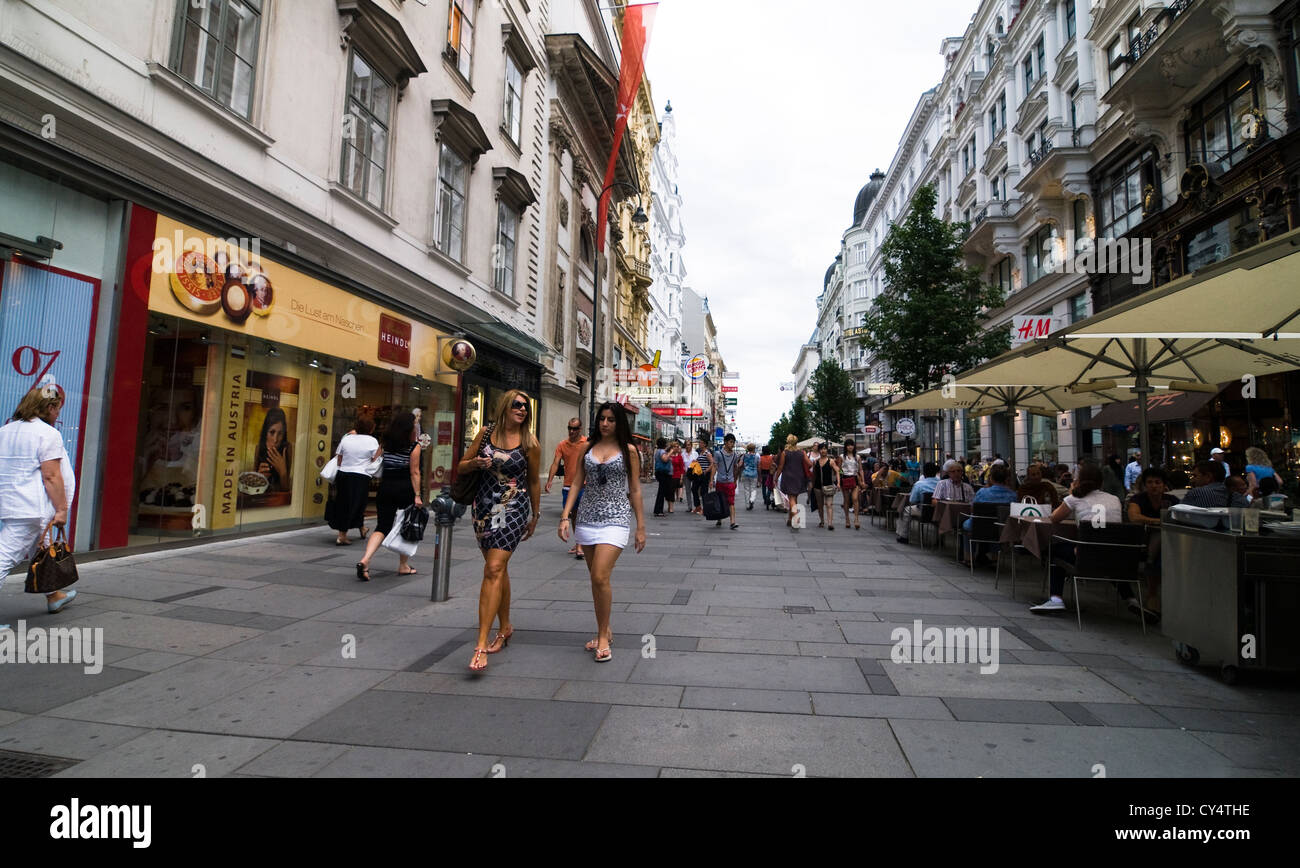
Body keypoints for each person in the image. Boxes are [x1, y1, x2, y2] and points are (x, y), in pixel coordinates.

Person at [558, 402, 646, 663]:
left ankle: (603, 637)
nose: (605, 424)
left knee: (599, 575)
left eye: (610, 419)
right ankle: (605, 628)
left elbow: (635, 489)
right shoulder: (588, 448)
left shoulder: (629, 451)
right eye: (601, 419)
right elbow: (576, 482)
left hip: (617, 518)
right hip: (586, 518)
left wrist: (640, 527)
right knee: (596, 581)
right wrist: (565, 516)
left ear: (619, 423)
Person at [462, 391, 541, 672]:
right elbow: (461, 465)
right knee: (497, 569)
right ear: (505, 406)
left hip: (511, 507)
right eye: (517, 405)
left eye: (526, 407)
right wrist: (475, 463)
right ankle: (505, 626)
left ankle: (480, 644)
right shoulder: (485, 433)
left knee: (493, 569)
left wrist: (535, 514)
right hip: (483, 507)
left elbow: (533, 482)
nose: (522, 409)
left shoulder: (530, 443)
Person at [0, 387, 79, 627]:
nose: (57, 414)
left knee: (42, 549)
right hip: (32, 507)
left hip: (13, 503)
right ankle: (53, 595)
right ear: (49, 407)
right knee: (4, 557)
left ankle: (54, 595)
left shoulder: (5, 431)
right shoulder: (46, 433)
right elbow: (52, 476)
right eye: (57, 409)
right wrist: (62, 509)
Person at [1031, 459, 1133, 616]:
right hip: (1116, 557)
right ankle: (1131, 598)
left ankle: (1056, 598)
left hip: (1085, 557)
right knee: (1107, 556)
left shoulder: (1075, 498)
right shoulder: (1114, 500)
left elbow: (1054, 518)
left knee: (1055, 549)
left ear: (1079, 480)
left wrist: (1073, 493)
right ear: (1101, 481)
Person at [356, 410, 422, 582]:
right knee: (404, 526)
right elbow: (415, 472)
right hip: (405, 489)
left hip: (386, 488)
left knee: (382, 526)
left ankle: (366, 559)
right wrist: (417, 495)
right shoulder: (414, 447)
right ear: (409, 428)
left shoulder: (385, 443)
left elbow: (375, 460)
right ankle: (403, 565)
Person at [1127, 467, 1176, 614]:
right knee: (1159, 536)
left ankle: (1153, 593)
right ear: (1144, 485)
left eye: (1157, 482)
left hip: (1168, 544)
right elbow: (1134, 517)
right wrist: (1159, 521)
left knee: (1160, 542)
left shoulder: (1171, 500)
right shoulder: (1137, 500)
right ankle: (1153, 594)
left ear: (1164, 485)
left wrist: (1155, 522)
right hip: (1142, 541)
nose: (1154, 486)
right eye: (1150, 482)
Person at [329, 415, 379, 544]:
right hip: (361, 476)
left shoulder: (347, 439)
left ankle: (361, 528)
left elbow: (339, 457)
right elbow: (375, 459)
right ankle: (342, 535)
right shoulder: (372, 441)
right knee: (357, 504)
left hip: (344, 474)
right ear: (371, 429)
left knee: (345, 503)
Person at [545, 417, 587, 558]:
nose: (571, 431)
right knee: (574, 515)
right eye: (569, 428)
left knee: (581, 514)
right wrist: (549, 480)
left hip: (584, 485)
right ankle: (579, 542)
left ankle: (581, 545)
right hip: (568, 486)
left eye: (574, 428)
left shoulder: (586, 443)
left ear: (580, 429)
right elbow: (555, 463)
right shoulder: (562, 445)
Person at [960, 463, 1017, 567]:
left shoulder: (983, 492)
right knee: (996, 526)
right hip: (1002, 529)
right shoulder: (1013, 495)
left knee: (966, 525)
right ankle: (994, 556)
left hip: (979, 526)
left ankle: (968, 557)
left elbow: (973, 509)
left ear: (991, 478)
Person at [774, 434, 812, 532]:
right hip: (799, 477)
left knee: (791, 498)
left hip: (788, 477)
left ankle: (796, 517)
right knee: (794, 498)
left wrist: (776, 477)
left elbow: (781, 467)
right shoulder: (802, 452)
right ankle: (790, 519)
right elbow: (810, 464)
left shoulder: (784, 453)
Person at [896, 461, 940, 545]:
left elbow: (912, 500)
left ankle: (904, 536)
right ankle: (940, 540)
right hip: (939, 511)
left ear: (924, 473)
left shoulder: (919, 484)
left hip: (923, 510)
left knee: (906, 510)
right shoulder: (940, 483)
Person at [1182, 460, 1249, 508]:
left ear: (1208, 476)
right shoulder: (1239, 498)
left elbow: (1178, 514)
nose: (1192, 480)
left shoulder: (1195, 493)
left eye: (1195, 476)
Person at [254, 406, 292, 491]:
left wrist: (283, 472)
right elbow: (253, 491)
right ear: (265, 433)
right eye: (272, 432)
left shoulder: (287, 448)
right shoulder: (259, 448)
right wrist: (259, 479)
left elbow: (287, 492)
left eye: (280, 434)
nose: (275, 440)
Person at [710, 433, 742, 529]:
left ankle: (732, 522)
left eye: (733, 442)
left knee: (731, 502)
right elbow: (714, 467)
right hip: (720, 481)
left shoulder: (735, 455)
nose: (732, 444)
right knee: (720, 501)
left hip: (730, 482)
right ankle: (719, 519)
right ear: (725, 442)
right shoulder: (718, 454)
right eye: (731, 442)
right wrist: (711, 480)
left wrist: (735, 480)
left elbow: (735, 468)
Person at [810, 442, 839, 531]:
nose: (823, 450)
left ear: (827, 450)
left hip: (829, 485)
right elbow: (814, 474)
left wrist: (838, 483)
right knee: (820, 505)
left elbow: (837, 471)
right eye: (821, 449)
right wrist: (812, 484)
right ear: (819, 450)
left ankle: (830, 523)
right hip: (817, 486)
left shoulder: (831, 461)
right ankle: (822, 521)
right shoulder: (816, 462)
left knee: (829, 504)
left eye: (825, 449)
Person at [839, 439, 865, 529]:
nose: (850, 447)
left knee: (855, 498)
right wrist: (840, 480)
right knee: (846, 500)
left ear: (854, 446)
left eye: (852, 445)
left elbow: (861, 469)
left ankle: (856, 519)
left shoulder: (857, 457)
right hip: (845, 478)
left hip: (854, 478)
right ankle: (847, 519)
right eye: (848, 445)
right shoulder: (842, 456)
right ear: (845, 446)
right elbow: (839, 469)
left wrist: (863, 480)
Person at [691, 434, 713, 515]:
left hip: (704, 474)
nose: (699, 444)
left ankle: (704, 509)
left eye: (701, 443)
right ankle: (698, 507)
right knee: (694, 489)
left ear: (704, 444)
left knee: (704, 492)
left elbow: (712, 463)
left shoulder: (707, 453)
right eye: (699, 443)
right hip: (698, 474)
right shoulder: (700, 453)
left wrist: (706, 470)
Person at [651, 437, 673, 518]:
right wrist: (670, 452)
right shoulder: (662, 452)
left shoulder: (658, 451)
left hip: (659, 472)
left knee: (661, 491)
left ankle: (658, 509)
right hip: (663, 473)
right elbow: (665, 459)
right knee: (662, 492)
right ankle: (659, 510)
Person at [737, 442, 760, 512]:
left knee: (746, 489)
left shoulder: (744, 456)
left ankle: (747, 505)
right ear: (754, 449)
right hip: (754, 474)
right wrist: (759, 476)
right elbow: (759, 466)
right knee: (753, 489)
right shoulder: (757, 456)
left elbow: (740, 464)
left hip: (745, 474)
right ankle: (752, 499)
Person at [681, 439, 700, 513]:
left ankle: (697, 506)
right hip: (686, 473)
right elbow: (682, 464)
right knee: (688, 490)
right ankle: (689, 507)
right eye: (686, 445)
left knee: (695, 490)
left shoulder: (695, 454)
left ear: (691, 446)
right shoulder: (683, 454)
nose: (687, 446)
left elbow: (698, 463)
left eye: (689, 445)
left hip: (694, 473)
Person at [668, 440, 685, 513]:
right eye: (674, 446)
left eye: (677, 447)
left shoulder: (680, 456)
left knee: (672, 491)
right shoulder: (669, 455)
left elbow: (682, 468)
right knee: (669, 492)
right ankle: (669, 505)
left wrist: (681, 478)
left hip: (677, 475)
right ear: (671, 447)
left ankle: (671, 507)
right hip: (669, 475)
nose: (676, 448)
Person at [759, 445, 776, 511]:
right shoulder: (771, 457)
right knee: (769, 487)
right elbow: (773, 465)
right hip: (770, 474)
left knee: (763, 487)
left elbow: (760, 467)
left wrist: (759, 476)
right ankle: (768, 496)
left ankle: (765, 499)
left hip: (763, 474)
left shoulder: (761, 458)